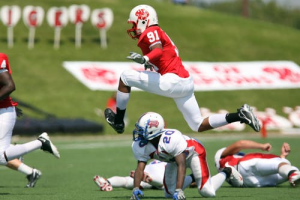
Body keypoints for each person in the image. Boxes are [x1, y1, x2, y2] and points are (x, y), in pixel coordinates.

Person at [104, 4, 261, 134]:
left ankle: (118, 122)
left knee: (125, 77)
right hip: (185, 82)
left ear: (143, 20)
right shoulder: (158, 33)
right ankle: (240, 115)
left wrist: (145, 58)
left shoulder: (151, 31)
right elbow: (163, 55)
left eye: (134, 23)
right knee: (197, 125)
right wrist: (149, 62)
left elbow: (157, 50)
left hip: (172, 81)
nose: (134, 28)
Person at [129, 112, 243, 200]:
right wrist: (136, 188)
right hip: (173, 159)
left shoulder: (170, 139)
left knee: (207, 192)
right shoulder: (141, 145)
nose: (137, 132)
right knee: (169, 195)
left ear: (152, 131)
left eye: (141, 129)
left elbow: (181, 164)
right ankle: (193, 177)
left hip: (194, 153)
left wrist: (179, 190)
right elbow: (140, 167)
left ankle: (227, 171)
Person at [0, 52, 60, 188]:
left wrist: (9, 104)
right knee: (2, 155)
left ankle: (40, 143)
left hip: (2, 112)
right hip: (4, 110)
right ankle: (17, 153)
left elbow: (9, 85)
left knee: (1, 157)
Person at [214, 140, 300, 187]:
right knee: (285, 166)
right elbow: (240, 144)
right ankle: (291, 173)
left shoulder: (224, 173)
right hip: (243, 165)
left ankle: (292, 174)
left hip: (250, 183)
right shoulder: (221, 156)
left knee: (289, 169)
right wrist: (261, 146)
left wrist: (282, 156)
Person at [93, 160, 168, 191]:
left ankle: (107, 182)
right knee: (164, 183)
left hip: (147, 168)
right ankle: (150, 179)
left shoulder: (158, 158)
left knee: (127, 181)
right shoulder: (172, 160)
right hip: (160, 171)